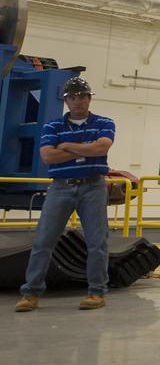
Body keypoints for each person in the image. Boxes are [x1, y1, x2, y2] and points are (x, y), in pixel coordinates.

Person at [14, 77, 116, 312]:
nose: (77, 101)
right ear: (66, 100)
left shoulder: (104, 122)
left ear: (90, 98)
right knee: (43, 241)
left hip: (93, 187)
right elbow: (48, 157)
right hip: (60, 187)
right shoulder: (52, 126)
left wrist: (66, 146)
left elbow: (101, 148)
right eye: (72, 97)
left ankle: (96, 292)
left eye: (82, 96)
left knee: (97, 242)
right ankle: (30, 293)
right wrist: (84, 148)